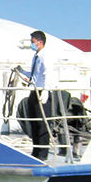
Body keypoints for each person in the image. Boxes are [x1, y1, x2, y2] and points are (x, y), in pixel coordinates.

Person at [25, 30, 54, 160]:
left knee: (42, 123)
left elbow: (48, 74)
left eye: (33, 42)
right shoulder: (35, 56)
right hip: (34, 91)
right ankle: (36, 151)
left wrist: (46, 90)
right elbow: (34, 75)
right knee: (34, 122)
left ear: (40, 42)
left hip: (42, 92)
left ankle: (43, 153)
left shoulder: (45, 56)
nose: (31, 44)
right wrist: (22, 72)